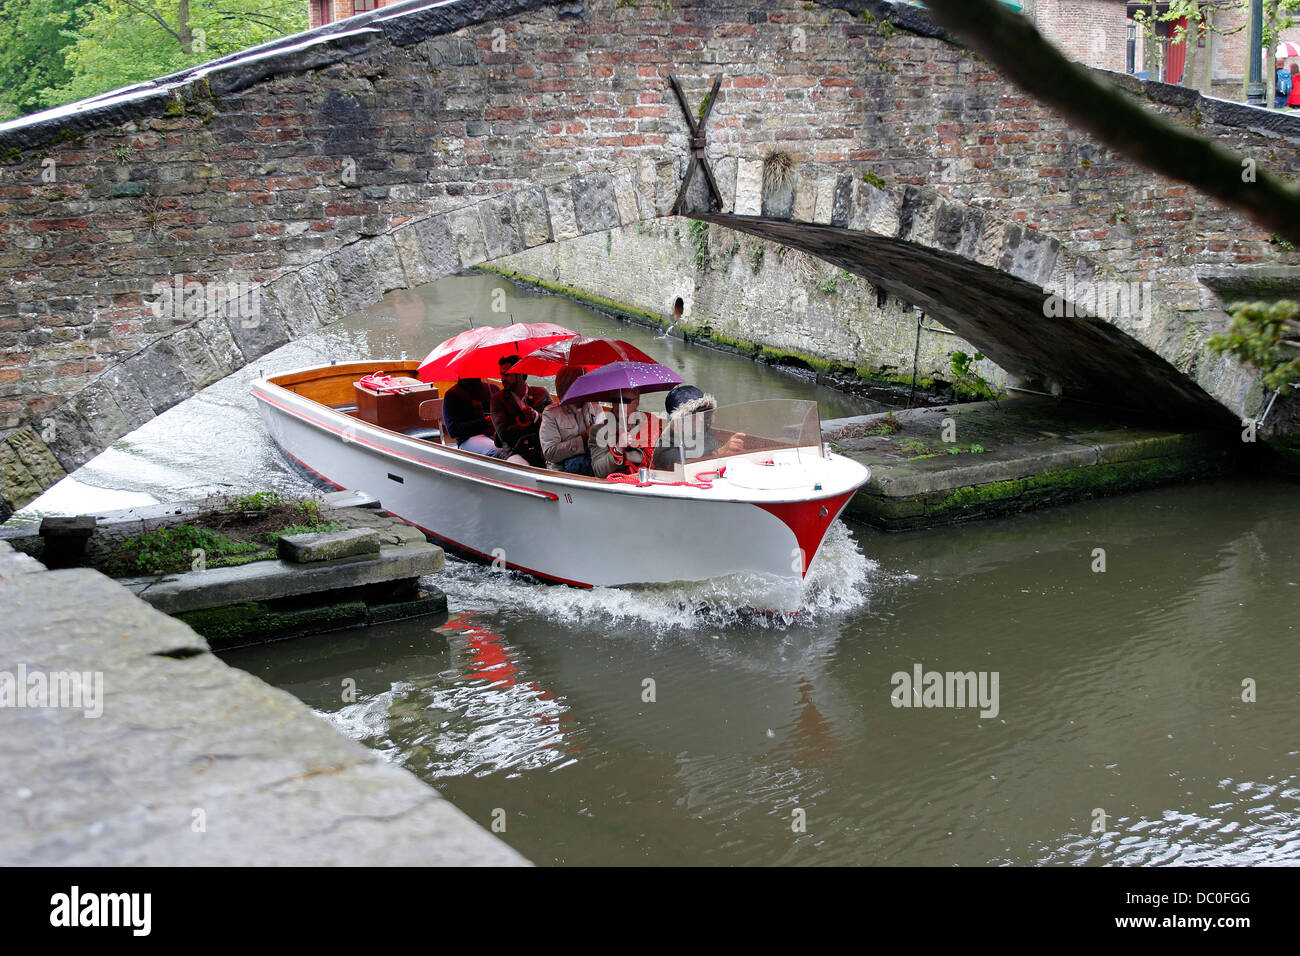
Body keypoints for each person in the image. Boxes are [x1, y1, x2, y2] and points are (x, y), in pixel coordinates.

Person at [652, 384, 747, 470]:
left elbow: (715, 451)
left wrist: (733, 450)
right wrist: (718, 454)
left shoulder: (703, 434)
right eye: (694, 416)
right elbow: (687, 470)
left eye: (704, 414)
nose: (701, 419)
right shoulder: (666, 447)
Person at [490, 355, 551, 466]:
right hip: (514, 450)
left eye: (507, 374)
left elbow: (555, 423)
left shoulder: (542, 393)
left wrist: (536, 416)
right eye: (501, 374)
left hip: (542, 446)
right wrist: (524, 421)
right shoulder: (497, 399)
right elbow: (504, 434)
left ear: (520, 373)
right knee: (519, 467)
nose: (502, 379)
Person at [540, 366, 601, 474]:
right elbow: (549, 453)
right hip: (563, 472)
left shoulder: (595, 408)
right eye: (583, 382)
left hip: (594, 467)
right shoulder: (551, 413)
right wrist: (583, 439)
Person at [590, 388, 662, 479]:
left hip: (653, 479)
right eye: (616, 400)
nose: (620, 406)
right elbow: (598, 471)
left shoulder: (651, 422)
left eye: (626, 401)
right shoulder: (598, 431)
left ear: (637, 401)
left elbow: (663, 457)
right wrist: (618, 449)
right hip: (619, 485)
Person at [442, 376, 499, 455]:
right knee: (496, 450)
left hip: (496, 434)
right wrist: (484, 422)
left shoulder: (492, 389)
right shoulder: (452, 395)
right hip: (467, 439)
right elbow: (453, 430)